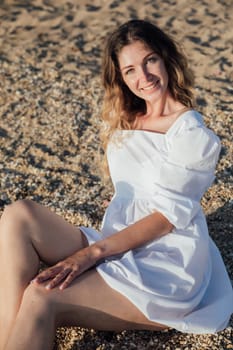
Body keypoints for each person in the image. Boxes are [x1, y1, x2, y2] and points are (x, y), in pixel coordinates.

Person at [0, 19, 232, 350]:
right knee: (18, 214)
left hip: (164, 263)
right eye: (130, 70)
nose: (144, 77)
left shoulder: (193, 136)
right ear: (120, 77)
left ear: (166, 58)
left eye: (150, 60)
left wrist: (89, 254)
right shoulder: (129, 118)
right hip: (118, 241)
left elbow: (165, 219)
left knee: (41, 296)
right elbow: (136, 182)